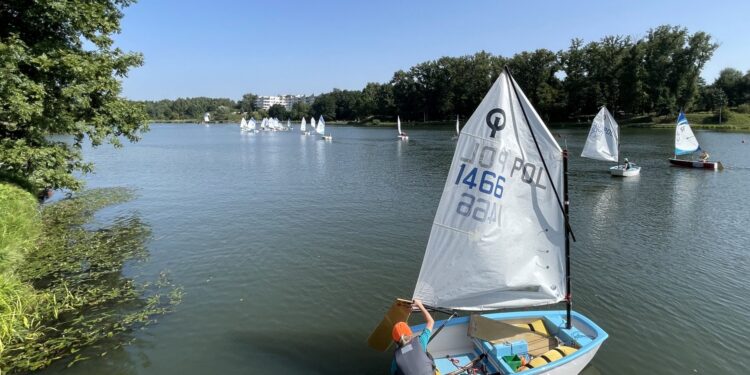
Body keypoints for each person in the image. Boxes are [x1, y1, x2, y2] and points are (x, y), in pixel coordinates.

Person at [390, 299, 435, 375]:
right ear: (410, 334)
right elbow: (431, 322)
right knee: (428, 356)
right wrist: (420, 305)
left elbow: (393, 372)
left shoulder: (396, 357)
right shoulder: (420, 342)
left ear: (395, 340)